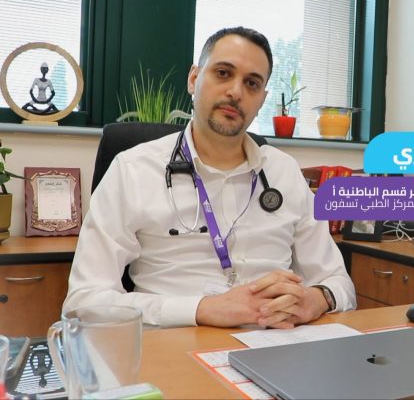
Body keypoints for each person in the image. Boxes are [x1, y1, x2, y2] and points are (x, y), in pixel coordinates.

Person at [63, 27, 356, 328]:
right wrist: (201, 309)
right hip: (175, 343)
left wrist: (316, 299)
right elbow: (84, 301)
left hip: (274, 341)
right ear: (194, 79)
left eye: (252, 83)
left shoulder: (284, 172)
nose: (236, 92)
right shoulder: (133, 170)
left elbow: (338, 282)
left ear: (262, 99)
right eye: (223, 73)